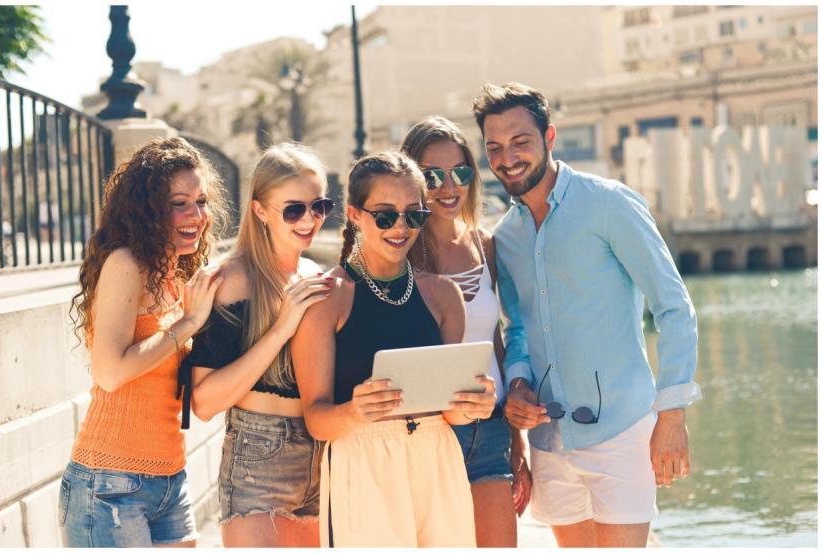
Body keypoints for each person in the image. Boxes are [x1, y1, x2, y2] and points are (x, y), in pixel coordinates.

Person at [472, 82, 701, 548]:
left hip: (621, 430)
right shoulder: (506, 237)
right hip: (549, 441)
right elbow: (517, 329)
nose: (507, 158)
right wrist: (519, 382)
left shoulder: (609, 204)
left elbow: (674, 307)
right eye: (494, 147)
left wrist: (672, 413)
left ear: (549, 137)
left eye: (520, 142)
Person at [290, 151, 496, 547]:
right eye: (385, 215)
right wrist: (354, 411)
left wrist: (474, 404)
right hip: (362, 460)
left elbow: (451, 413)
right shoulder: (327, 298)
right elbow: (316, 419)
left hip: (438, 457)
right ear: (355, 214)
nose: (400, 227)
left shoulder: (443, 295)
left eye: (413, 215)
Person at [60, 137, 227, 547]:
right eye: (179, 203)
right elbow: (110, 373)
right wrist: (188, 323)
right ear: (148, 209)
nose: (195, 215)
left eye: (201, 201)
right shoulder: (125, 264)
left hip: (170, 478)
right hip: (109, 484)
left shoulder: (179, 276)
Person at [180, 143, 335, 547]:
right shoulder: (229, 281)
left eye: (319, 206)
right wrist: (281, 329)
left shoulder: (316, 274)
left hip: (324, 454)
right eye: (293, 210)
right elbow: (204, 403)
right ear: (260, 210)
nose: (309, 220)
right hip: (259, 459)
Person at [400, 116, 531, 547]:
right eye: (432, 176)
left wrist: (517, 442)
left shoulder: (484, 245)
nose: (448, 187)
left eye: (459, 173)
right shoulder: (400, 254)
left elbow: (495, 343)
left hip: (490, 428)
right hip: (428, 433)